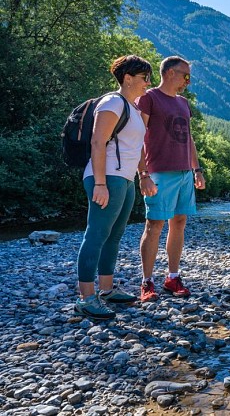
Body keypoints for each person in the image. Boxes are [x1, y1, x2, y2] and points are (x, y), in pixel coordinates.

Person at [74, 55, 153, 319]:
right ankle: (86, 298)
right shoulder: (112, 102)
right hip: (106, 176)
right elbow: (98, 143)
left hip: (125, 179)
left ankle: (106, 290)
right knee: (96, 234)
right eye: (144, 78)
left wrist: (143, 175)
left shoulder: (132, 108)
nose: (147, 84)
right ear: (128, 78)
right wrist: (99, 183)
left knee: (114, 235)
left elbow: (137, 148)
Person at [136, 56, 205, 302]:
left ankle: (172, 278)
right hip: (159, 172)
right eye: (185, 75)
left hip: (185, 172)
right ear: (170, 73)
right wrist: (143, 174)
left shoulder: (184, 103)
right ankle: (146, 282)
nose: (188, 81)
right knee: (154, 225)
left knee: (179, 223)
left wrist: (197, 170)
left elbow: (189, 138)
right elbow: (137, 137)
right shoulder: (149, 98)